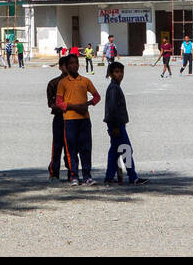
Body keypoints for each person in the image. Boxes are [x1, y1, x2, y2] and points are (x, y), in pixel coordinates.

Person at [55, 54, 101, 185]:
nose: (73, 65)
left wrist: (88, 104)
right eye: (70, 63)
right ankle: (74, 175)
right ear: (66, 66)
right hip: (69, 119)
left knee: (86, 148)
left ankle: (87, 176)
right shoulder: (62, 83)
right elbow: (59, 102)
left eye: (76, 63)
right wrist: (73, 107)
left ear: (79, 64)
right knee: (71, 148)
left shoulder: (85, 81)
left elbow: (97, 96)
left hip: (84, 119)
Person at [103, 61, 148, 185]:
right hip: (116, 124)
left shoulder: (115, 87)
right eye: (117, 72)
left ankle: (109, 176)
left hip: (115, 124)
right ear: (111, 74)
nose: (120, 74)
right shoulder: (113, 88)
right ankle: (132, 177)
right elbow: (112, 108)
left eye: (121, 72)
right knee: (126, 149)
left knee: (115, 151)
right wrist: (116, 126)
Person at [46, 56, 74, 182]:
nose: (68, 68)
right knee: (57, 146)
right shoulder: (53, 83)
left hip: (73, 118)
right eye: (66, 65)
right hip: (59, 118)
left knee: (71, 147)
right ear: (60, 67)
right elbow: (50, 102)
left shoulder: (76, 82)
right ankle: (54, 173)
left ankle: (72, 173)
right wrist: (61, 107)